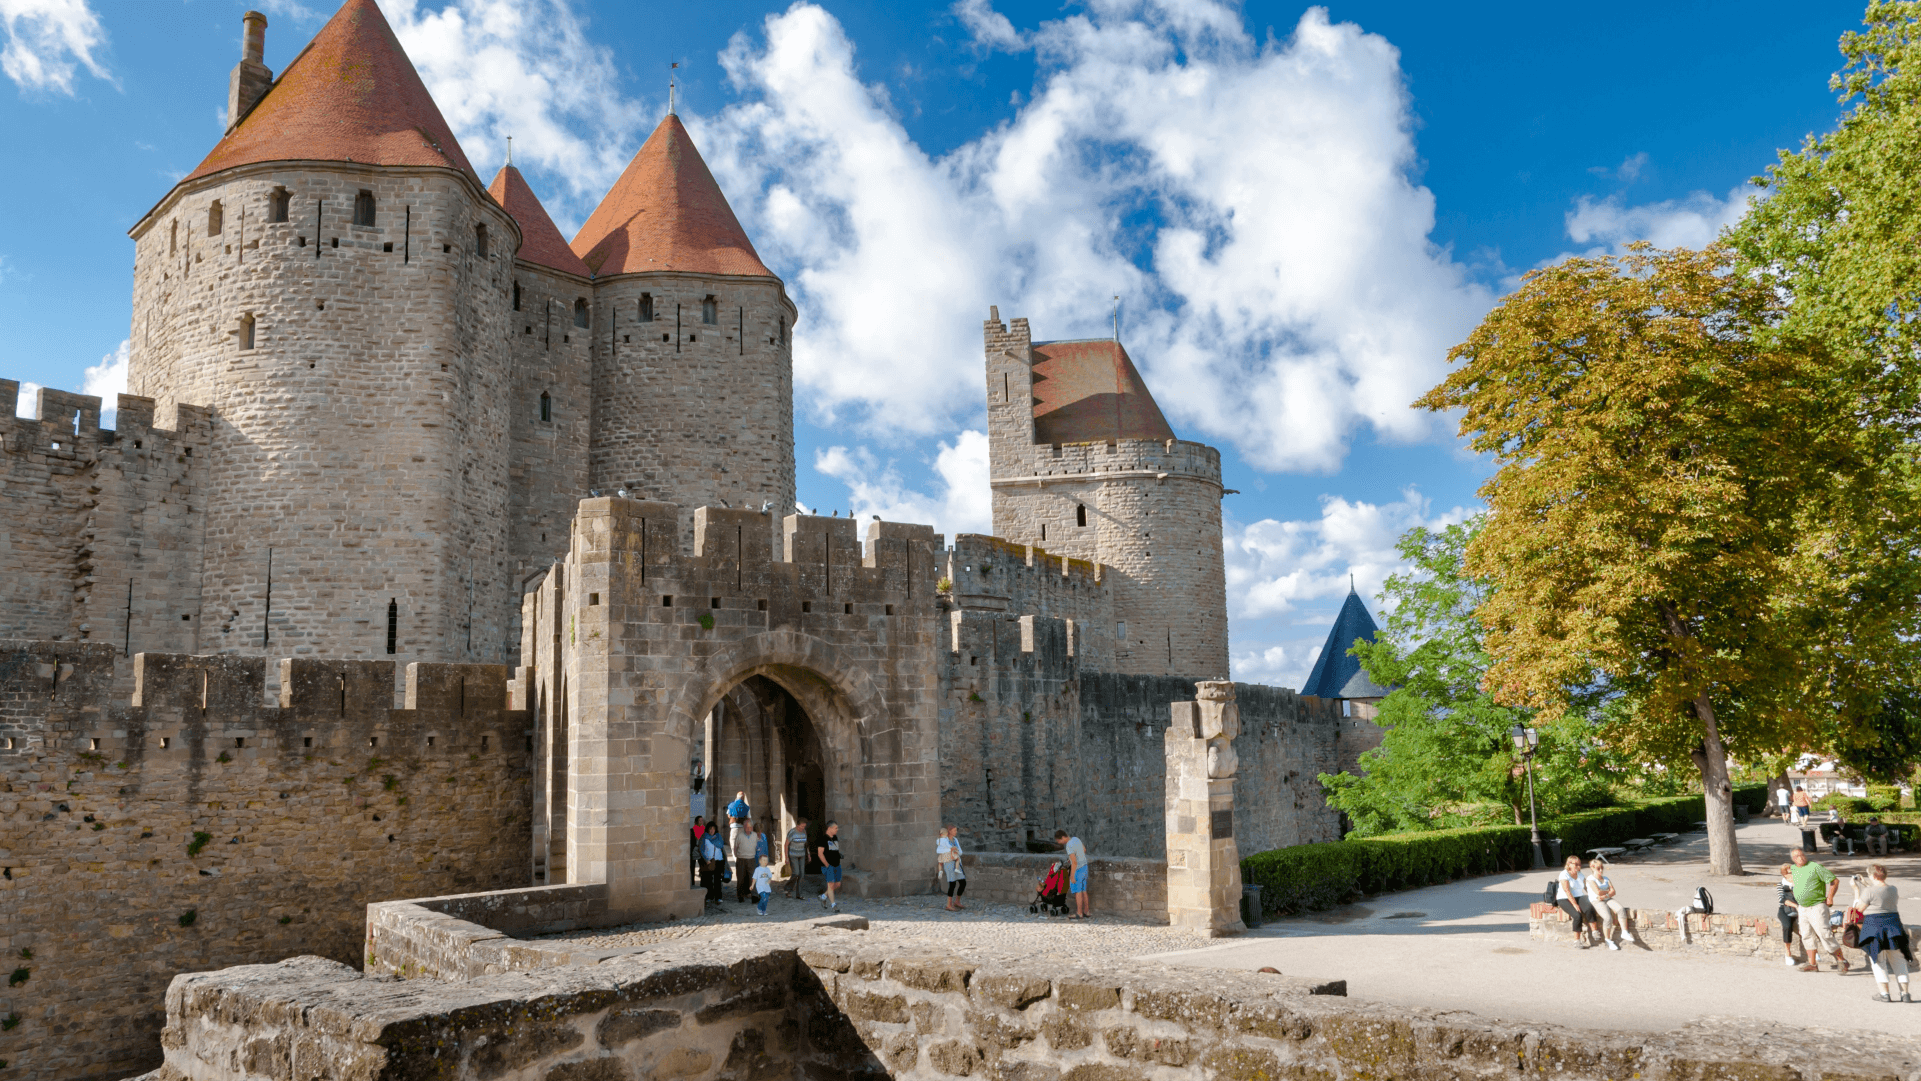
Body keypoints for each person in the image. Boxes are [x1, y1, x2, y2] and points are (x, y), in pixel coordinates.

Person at [1850, 863, 1913, 1002]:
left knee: (1878, 961)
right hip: (1894, 926)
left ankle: (1885, 994)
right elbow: (1878, 894)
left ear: (1872, 875)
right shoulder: (1893, 889)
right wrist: (1866, 883)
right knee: (1899, 961)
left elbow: (1858, 909)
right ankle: (1905, 994)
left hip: (1875, 927)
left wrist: (1856, 889)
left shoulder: (1869, 891)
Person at [1789, 846, 1848, 974]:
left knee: (1824, 934)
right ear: (1793, 859)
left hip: (1817, 906)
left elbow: (1834, 881)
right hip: (1802, 907)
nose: (1800, 858)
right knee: (1806, 935)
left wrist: (1830, 897)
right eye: (1796, 856)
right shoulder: (1793, 869)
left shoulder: (1815, 867)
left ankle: (1842, 961)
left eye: (1801, 855)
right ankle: (1812, 964)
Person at [1583, 857, 1637, 950]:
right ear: (1592, 868)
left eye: (1601, 868)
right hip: (1597, 901)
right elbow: (1598, 892)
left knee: (1620, 909)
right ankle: (1608, 940)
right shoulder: (1590, 879)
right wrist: (1607, 891)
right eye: (1598, 868)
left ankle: (1625, 932)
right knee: (1607, 918)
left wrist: (1605, 894)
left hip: (1606, 898)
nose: (1600, 870)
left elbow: (1613, 892)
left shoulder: (1606, 878)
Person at [1555, 855, 1602, 948]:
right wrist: (1575, 904)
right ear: (1569, 864)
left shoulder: (1580, 874)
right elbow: (1567, 891)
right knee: (1577, 915)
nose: (1578, 866)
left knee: (1589, 906)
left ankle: (1594, 931)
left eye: (1580, 864)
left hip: (1579, 896)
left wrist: (1596, 896)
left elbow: (1587, 887)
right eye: (1576, 864)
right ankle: (1577, 941)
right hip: (1564, 898)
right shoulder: (1564, 874)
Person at [1055, 830, 1090, 920]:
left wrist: (1072, 875)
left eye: (1059, 841)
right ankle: (1086, 911)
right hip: (1085, 867)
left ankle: (1079, 913)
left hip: (1078, 869)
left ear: (1062, 837)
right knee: (1083, 890)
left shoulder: (1069, 845)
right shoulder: (1076, 839)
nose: (1059, 843)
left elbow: (1074, 862)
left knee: (1078, 891)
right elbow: (1084, 850)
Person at [1775, 863, 1803, 967]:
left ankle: (1814, 953)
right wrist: (1796, 906)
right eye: (1790, 873)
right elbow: (1782, 899)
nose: (1793, 874)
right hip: (1785, 909)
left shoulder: (1800, 883)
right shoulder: (1781, 884)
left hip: (1801, 909)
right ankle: (1788, 953)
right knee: (1787, 926)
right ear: (1785, 875)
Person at [937, 824, 967, 911]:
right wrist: (950, 850)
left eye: (956, 830)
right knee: (952, 883)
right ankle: (948, 905)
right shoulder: (944, 840)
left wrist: (955, 852)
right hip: (948, 863)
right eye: (954, 830)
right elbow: (939, 850)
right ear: (949, 831)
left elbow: (960, 851)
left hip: (956, 862)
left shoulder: (955, 840)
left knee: (963, 882)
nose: (956, 832)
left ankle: (957, 901)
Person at [733, 819, 761, 904]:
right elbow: (735, 847)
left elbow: (758, 844)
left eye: (749, 827)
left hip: (751, 859)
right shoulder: (740, 836)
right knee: (741, 878)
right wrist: (737, 855)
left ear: (752, 828)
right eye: (746, 827)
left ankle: (754, 896)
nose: (748, 829)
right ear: (744, 827)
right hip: (741, 859)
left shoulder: (755, 835)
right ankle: (740, 896)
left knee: (752, 878)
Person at [817, 821, 843, 911]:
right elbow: (820, 854)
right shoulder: (822, 839)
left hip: (837, 865)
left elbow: (835, 849)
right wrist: (827, 865)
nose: (837, 830)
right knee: (831, 885)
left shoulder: (835, 837)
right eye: (835, 828)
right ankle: (833, 905)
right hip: (828, 866)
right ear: (829, 828)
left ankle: (823, 896)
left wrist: (839, 855)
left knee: (838, 884)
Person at [700, 825, 727, 907]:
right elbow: (701, 849)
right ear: (707, 829)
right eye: (710, 829)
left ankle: (718, 897)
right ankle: (709, 897)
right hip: (709, 861)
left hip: (719, 860)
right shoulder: (704, 837)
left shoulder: (718, 837)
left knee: (718, 880)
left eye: (713, 829)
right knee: (708, 880)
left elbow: (721, 847)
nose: (712, 830)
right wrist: (706, 860)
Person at [784, 817, 811, 899]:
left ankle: (799, 894)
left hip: (802, 855)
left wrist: (809, 855)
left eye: (804, 827)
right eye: (801, 827)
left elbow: (806, 845)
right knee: (796, 873)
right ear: (797, 825)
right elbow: (786, 845)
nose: (802, 828)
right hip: (793, 855)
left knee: (802, 874)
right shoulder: (792, 832)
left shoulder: (804, 832)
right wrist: (786, 857)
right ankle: (787, 889)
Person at [690, 815, 706, 889]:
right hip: (694, 850)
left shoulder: (704, 830)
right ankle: (691, 883)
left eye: (702, 820)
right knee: (691, 868)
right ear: (696, 821)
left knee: (702, 867)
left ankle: (703, 883)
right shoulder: (692, 830)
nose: (701, 822)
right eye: (700, 820)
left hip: (701, 851)